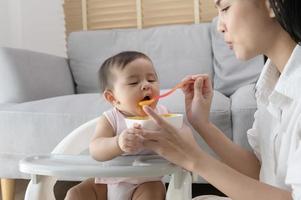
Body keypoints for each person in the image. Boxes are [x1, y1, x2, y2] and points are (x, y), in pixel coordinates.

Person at [140, 0, 301, 199]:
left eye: (225, 8)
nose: (219, 26)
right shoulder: (269, 84)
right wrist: (202, 124)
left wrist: (194, 159)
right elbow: (262, 172)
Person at [65, 51, 169, 200]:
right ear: (113, 98)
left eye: (151, 79)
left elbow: (179, 140)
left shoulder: (163, 115)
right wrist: (118, 142)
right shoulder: (110, 119)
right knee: (76, 194)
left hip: (146, 182)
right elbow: (96, 149)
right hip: (107, 183)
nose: (146, 85)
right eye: (134, 82)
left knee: (153, 191)